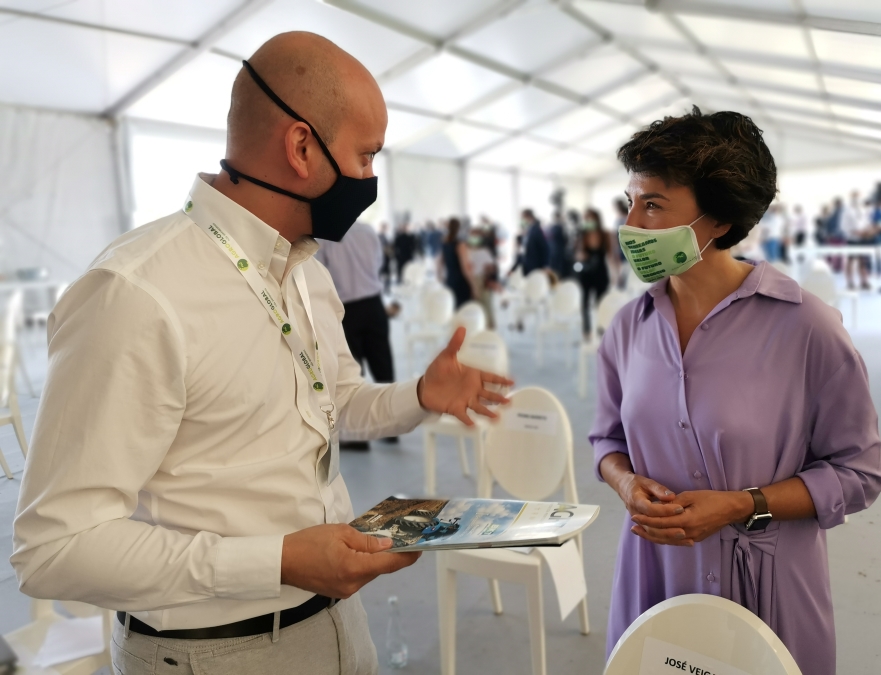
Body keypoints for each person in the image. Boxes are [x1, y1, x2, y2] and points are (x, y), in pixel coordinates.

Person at [12, 32, 513, 675]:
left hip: (333, 618)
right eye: (365, 156)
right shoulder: (136, 293)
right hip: (213, 651)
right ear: (302, 147)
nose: (368, 180)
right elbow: (54, 547)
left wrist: (417, 396)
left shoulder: (306, 272)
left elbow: (339, 404)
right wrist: (275, 560)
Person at [590, 106, 881, 675]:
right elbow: (606, 438)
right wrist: (626, 484)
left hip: (768, 592)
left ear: (717, 220)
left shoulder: (805, 327)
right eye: (628, 202)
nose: (631, 223)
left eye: (653, 204)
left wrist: (743, 504)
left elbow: (860, 471)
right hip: (657, 575)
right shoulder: (630, 326)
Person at [317, 221, 398, 450]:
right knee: (383, 367)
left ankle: (358, 437)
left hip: (347, 309)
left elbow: (321, 271)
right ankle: (392, 429)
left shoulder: (327, 235)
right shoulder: (368, 230)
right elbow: (379, 262)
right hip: (374, 304)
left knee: (352, 373)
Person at [574, 208, 615, 339]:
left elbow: (612, 255)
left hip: (601, 272)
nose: (588, 221)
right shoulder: (582, 235)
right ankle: (586, 331)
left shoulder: (605, 234)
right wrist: (580, 255)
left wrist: (616, 274)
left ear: (597, 219)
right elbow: (576, 254)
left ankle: (601, 329)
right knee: (584, 302)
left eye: (591, 218)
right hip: (585, 273)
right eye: (586, 219)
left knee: (601, 302)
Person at [437, 217, 475, 308]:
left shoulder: (444, 243)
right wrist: (473, 286)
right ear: (459, 228)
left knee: (452, 308)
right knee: (463, 309)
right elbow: (465, 268)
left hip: (450, 280)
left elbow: (438, 264)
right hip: (461, 282)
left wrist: (440, 278)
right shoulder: (460, 244)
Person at [842, 190, 871, 290]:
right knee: (850, 261)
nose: (856, 199)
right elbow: (844, 226)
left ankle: (864, 281)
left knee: (863, 261)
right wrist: (854, 232)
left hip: (863, 239)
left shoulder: (863, 210)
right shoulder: (847, 211)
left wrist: (867, 231)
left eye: (858, 197)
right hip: (852, 239)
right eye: (854, 197)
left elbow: (866, 222)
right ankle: (850, 282)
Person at [521, 208, 549, 275]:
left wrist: (545, 265)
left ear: (528, 216)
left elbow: (544, 248)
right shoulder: (530, 229)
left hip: (535, 265)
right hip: (529, 264)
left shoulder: (536, 230)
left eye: (523, 217)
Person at [547, 210, 569, 278]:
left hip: (553, 253)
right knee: (558, 272)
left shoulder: (550, 228)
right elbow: (565, 240)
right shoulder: (559, 228)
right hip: (558, 253)